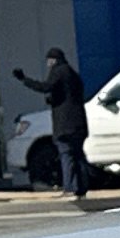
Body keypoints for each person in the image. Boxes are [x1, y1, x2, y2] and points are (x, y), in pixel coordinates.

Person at [14, 44, 91, 205]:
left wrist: (24, 79)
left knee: (66, 154)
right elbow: (68, 95)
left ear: (54, 60)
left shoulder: (58, 72)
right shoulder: (73, 75)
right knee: (78, 156)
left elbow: (46, 87)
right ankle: (82, 188)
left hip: (65, 123)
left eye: (50, 60)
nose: (48, 63)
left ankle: (70, 188)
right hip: (79, 122)